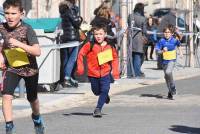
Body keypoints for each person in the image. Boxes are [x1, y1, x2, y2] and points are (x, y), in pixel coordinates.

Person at [0, 0, 44, 134]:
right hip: (12, 68)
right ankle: (9, 126)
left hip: (30, 69)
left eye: (13, 13)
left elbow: (37, 51)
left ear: (21, 14)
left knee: (32, 98)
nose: (10, 16)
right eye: (7, 13)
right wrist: (1, 58)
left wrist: (19, 44)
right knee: (6, 95)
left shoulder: (27, 29)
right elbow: (2, 45)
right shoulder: (2, 28)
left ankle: (36, 118)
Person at [76, 24, 119, 118]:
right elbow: (80, 54)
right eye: (96, 34)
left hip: (105, 73)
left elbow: (115, 58)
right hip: (93, 73)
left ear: (105, 34)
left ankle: (98, 109)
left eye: (100, 34)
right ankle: (105, 96)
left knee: (105, 89)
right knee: (96, 92)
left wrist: (115, 72)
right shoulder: (90, 45)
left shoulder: (110, 46)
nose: (98, 36)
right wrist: (80, 68)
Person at [155, 25, 183, 100]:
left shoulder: (174, 40)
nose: (166, 34)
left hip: (172, 60)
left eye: (168, 32)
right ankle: (170, 91)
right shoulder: (161, 41)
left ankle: (173, 87)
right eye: (165, 32)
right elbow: (157, 51)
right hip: (164, 61)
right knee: (167, 77)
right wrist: (162, 51)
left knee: (168, 72)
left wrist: (181, 53)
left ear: (171, 33)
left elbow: (179, 45)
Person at [59, 0, 82, 88]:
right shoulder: (70, 10)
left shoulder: (63, 10)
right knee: (72, 59)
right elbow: (76, 22)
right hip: (72, 38)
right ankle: (67, 78)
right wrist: (80, 18)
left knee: (66, 59)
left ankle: (65, 78)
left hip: (64, 37)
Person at [128, 2, 147, 78]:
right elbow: (144, 31)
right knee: (137, 56)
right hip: (139, 38)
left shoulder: (130, 16)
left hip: (130, 37)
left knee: (130, 56)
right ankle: (136, 73)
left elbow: (128, 25)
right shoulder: (143, 18)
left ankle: (129, 73)